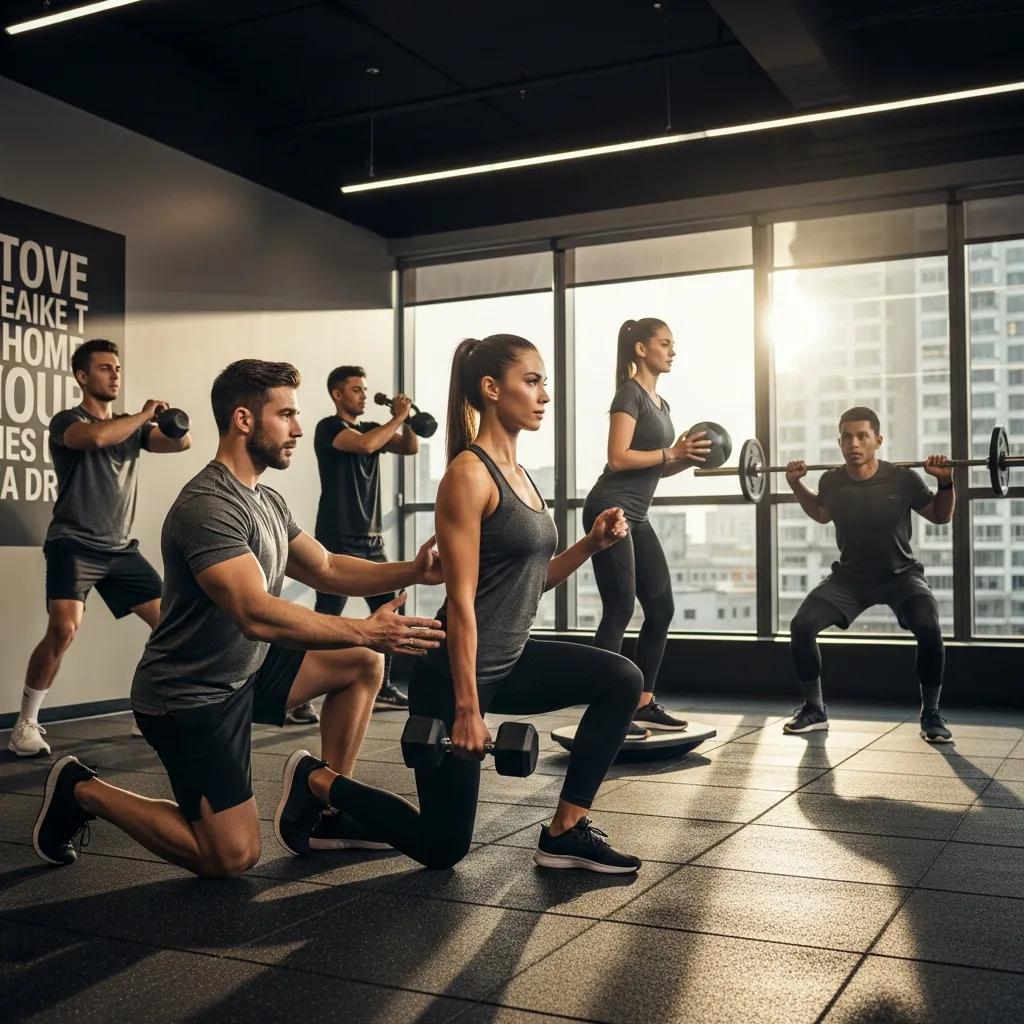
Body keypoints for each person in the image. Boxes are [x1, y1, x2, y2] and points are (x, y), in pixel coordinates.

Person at [32, 359, 445, 876]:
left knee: (362, 662)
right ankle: (81, 789)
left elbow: (326, 567)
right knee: (231, 856)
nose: (298, 429)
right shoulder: (208, 505)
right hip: (190, 696)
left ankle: (324, 810)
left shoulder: (266, 500)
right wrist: (366, 628)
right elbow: (254, 613)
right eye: (286, 415)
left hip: (247, 671)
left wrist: (415, 571)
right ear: (244, 420)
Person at [275, 334, 648, 874]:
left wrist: (590, 545)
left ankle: (566, 831)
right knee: (442, 848)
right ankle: (315, 778)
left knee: (622, 680)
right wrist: (468, 710)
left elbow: (528, 582)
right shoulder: (469, 475)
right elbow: (463, 599)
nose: (544, 395)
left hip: (508, 661)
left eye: (544, 382)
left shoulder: (522, 476)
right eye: (532, 381)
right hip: (453, 675)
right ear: (491, 388)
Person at [10, 339, 191, 757]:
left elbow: (179, 444)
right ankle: (25, 724)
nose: (114, 375)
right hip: (73, 544)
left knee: (171, 625)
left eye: (117, 368)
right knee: (64, 628)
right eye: (105, 368)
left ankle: (147, 710)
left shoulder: (132, 428)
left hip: (121, 549)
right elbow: (95, 438)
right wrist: (145, 414)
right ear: (82, 376)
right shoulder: (68, 421)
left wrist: (172, 424)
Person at [783, 406, 955, 743]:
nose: (854, 443)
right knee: (801, 625)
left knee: (928, 626)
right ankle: (815, 709)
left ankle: (931, 714)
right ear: (839, 442)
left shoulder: (903, 478)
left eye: (862, 436)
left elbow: (940, 515)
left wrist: (945, 481)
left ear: (878, 440)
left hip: (900, 575)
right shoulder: (831, 480)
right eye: (847, 437)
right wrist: (795, 484)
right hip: (850, 578)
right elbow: (821, 513)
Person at [582, 318, 711, 734]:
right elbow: (618, 458)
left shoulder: (662, 404)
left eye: (673, 345)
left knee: (661, 607)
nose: (672, 351)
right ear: (641, 349)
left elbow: (654, 468)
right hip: (610, 509)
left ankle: (642, 703)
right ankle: (604, 709)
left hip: (637, 514)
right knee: (620, 608)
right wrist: (671, 451)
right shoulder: (630, 393)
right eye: (665, 344)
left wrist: (685, 459)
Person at [303, 365, 420, 722]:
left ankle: (384, 686)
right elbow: (365, 445)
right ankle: (300, 695)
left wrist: (408, 420)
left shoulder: (371, 427)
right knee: (326, 616)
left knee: (390, 607)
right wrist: (397, 416)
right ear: (337, 394)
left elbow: (410, 446)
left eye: (365, 390)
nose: (364, 396)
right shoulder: (329, 428)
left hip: (371, 539)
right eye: (357, 390)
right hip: (337, 538)